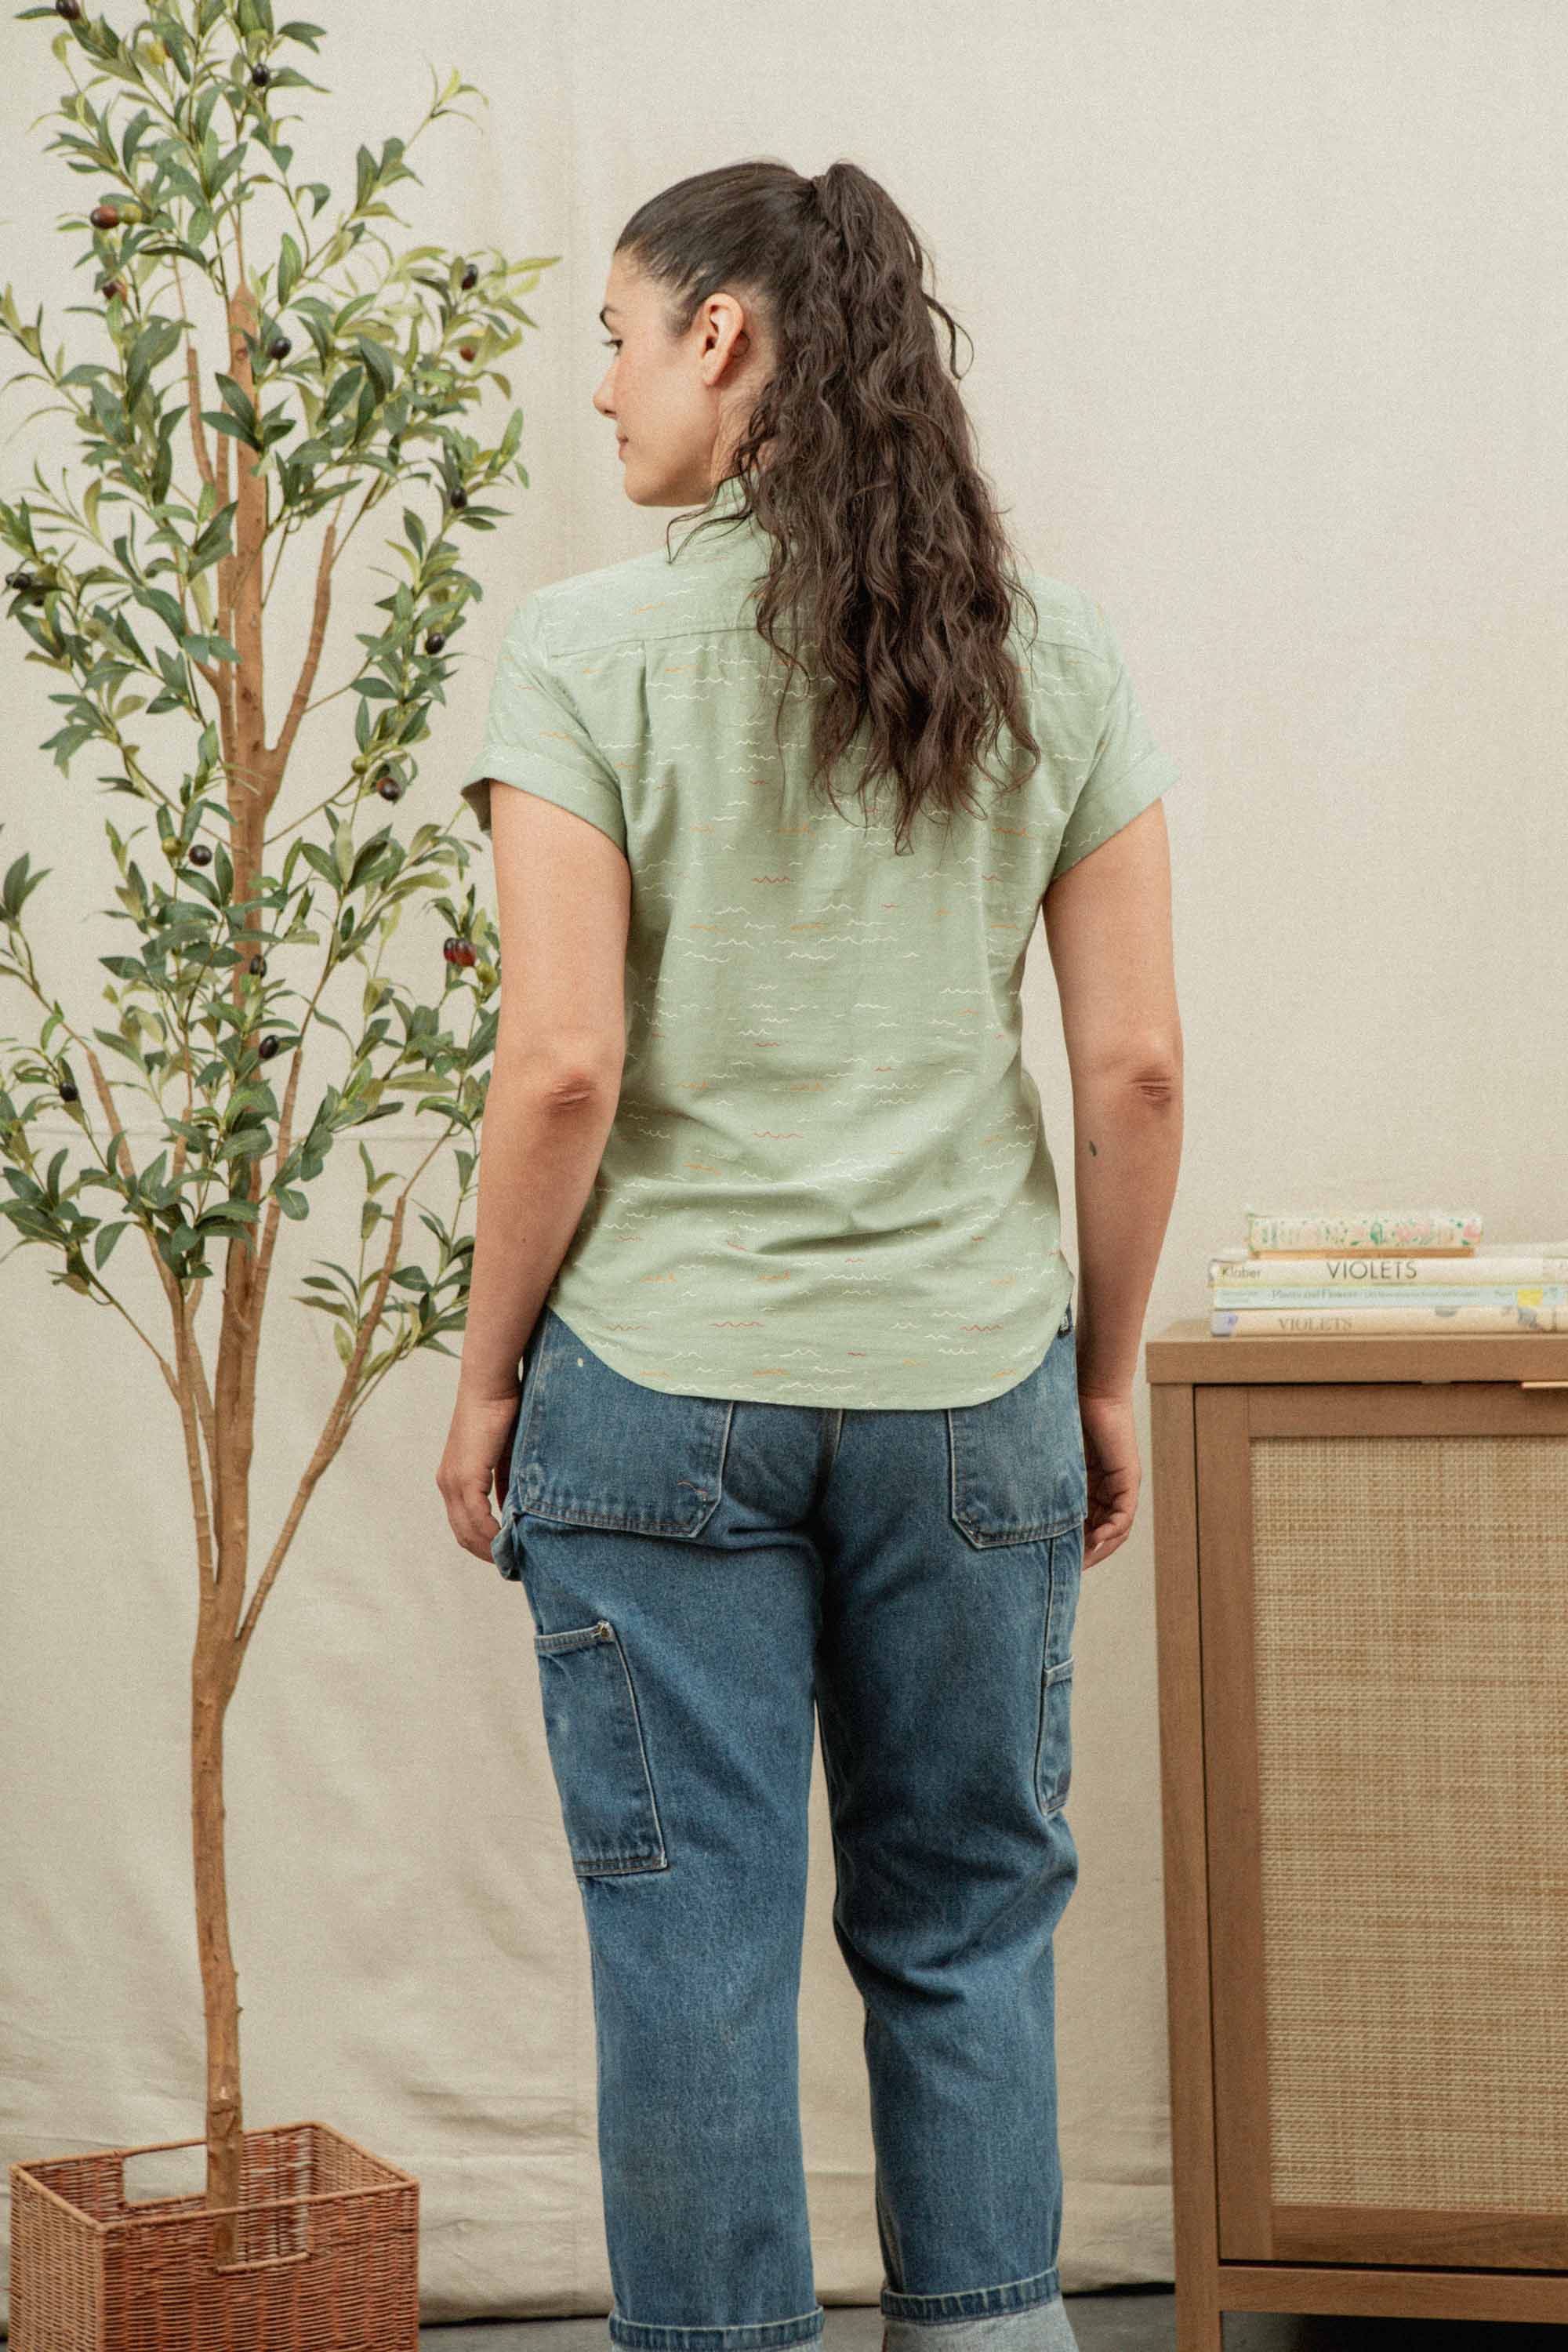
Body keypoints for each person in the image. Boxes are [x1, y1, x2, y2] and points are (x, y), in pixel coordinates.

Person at [437, 157, 1182, 2352]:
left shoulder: (585, 648)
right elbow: (1133, 1067)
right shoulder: (1050, 651)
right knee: (965, 1923)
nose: (599, 387)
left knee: (691, 1940)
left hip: (660, 1396)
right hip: (970, 1391)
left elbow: (561, 1065)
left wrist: (487, 1374)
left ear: (726, 339)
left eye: (615, 333)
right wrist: (1103, 1368)